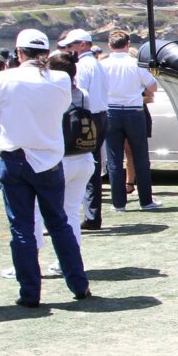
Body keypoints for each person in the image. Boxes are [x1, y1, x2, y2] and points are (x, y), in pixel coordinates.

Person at [0, 29, 91, 308]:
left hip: (15, 158)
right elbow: (63, 107)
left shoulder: (2, 79)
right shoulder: (60, 79)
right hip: (49, 160)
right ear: (46, 53)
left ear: (19, 53)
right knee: (59, 224)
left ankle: (29, 292)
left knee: (22, 228)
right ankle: (78, 284)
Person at [101, 30, 161, 212]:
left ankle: (119, 203)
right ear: (127, 45)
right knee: (141, 156)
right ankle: (146, 200)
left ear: (110, 45)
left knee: (114, 159)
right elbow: (153, 86)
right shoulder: (136, 64)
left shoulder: (102, 65)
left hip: (111, 111)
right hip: (134, 111)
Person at [60, 29, 108, 231]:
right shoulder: (98, 64)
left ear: (81, 45)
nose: (68, 50)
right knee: (92, 166)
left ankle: (88, 215)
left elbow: (77, 94)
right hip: (102, 115)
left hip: (86, 117)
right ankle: (92, 215)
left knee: (80, 160)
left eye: (70, 46)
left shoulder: (81, 67)